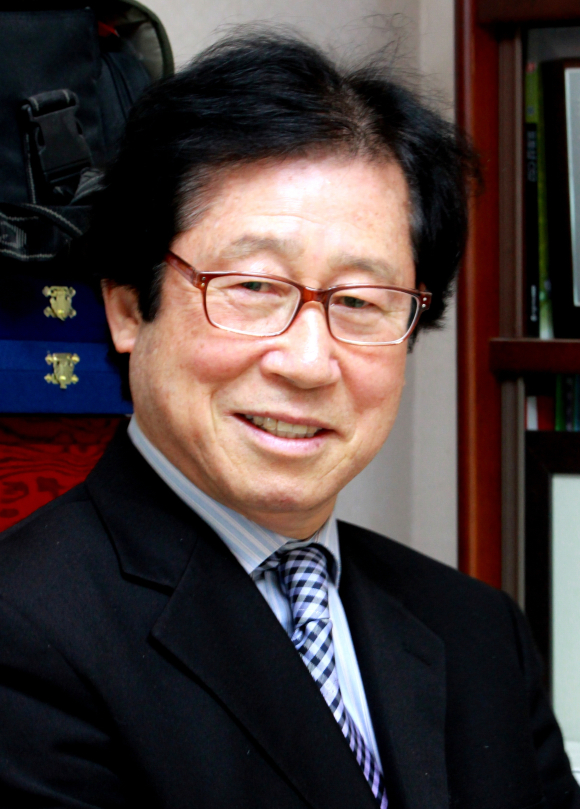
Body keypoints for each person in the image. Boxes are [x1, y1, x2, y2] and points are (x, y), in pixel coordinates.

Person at [0, 29, 578, 809]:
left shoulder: (477, 631)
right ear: (129, 305)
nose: (308, 362)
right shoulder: (25, 630)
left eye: (360, 302)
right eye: (253, 287)